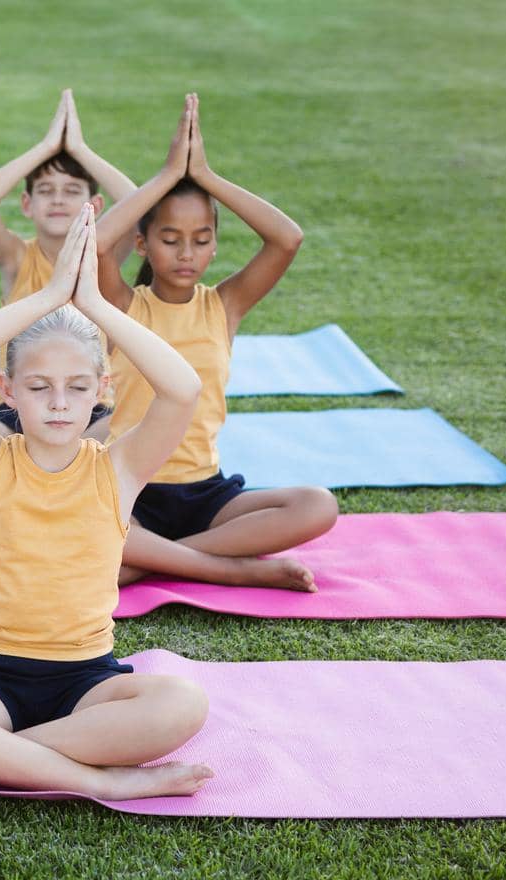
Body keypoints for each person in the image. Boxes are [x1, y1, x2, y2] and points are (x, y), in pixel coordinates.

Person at [0, 206, 213, 800]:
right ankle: (100, 779)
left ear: (102, 392)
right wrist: (49, 295)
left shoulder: (119, 469)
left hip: (84, 682)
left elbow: (182, 388)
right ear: (7, 391)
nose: (58, 403)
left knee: (182, 702)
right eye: (38, 387)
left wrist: (97, 306)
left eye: (78, 387)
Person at [95, 94, 336, 589]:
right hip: (129, 491)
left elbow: (287, 239)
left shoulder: (224, 305)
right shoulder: (123, 306)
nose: (187, 253)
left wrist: (205, 176)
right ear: (142, 243)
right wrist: (166, 176)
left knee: (318, 505)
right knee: (88, 527)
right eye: (169, 239)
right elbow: (96, 244)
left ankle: (157, 564)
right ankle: (231, 570)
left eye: (201, 239)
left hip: (206, 495)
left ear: (214, 242)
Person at [0, 89, 134, 452]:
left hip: (90, 409)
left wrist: (79, 149)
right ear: (27, 203)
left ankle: (46, 452)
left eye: (71, 191)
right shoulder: (16, 258)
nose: (57, 199)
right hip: (16, 409)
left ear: (96, 205)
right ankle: (44, 452)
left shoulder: (102, 258)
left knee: (136, 424)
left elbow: (136, 205)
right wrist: (47, 146)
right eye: (46, 190)